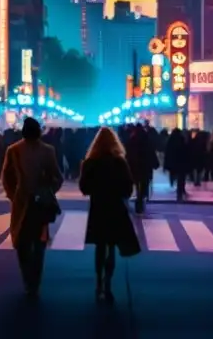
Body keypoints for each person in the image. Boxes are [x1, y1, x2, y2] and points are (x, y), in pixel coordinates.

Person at [2, 117, 63, 297]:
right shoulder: (48, 150)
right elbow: (58, 177)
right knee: (39, 243)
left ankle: (27, 279)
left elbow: (6, 177)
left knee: (21, 241)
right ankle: (35, 281)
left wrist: (13, 195)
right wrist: (49, 192)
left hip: (22, 202)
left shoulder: (13, 150)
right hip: (41, 205)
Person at [79, 127, 141, 303]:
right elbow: (128, 188)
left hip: (98, 205)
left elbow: (84, 188)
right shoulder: (119, 162)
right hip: (114, 206)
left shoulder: (91, 162)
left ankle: (98, 281)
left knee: (100, 246)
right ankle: (108, 283)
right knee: (112, 245)